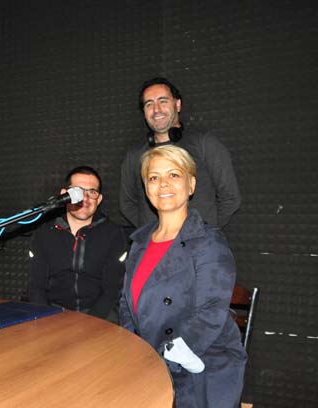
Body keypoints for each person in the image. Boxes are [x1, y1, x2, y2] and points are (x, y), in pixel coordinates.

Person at [119, 145, 246, 408]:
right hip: (149, 358)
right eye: (153, 177)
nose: (163, 183)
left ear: (191, 185)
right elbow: (126, 304)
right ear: (146, 188)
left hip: (201, 363)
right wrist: (132, 349)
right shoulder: (139, 242)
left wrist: (163, 357)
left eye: (174, 174)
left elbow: (211, 311)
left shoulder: (209, 242)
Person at [120, 77, 241, 229]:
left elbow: (230, 197)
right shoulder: (134, 155)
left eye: (163, 101)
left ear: (177, 105)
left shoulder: (204, 143)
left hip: (197, 242)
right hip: (154, 242)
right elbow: (127, 204)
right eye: (149, 104)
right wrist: (150, 230)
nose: (156, 109)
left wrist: (205, 231)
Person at [28, 166, 127, 322]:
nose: (85, 198)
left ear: (99, 199)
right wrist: (47, 320)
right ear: (64, 195)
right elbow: (36, 287)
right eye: (78, 191)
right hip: (53, 314)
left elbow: (112, 291)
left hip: (99, 317)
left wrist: (88, 324)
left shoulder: (114, 234)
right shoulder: (44, 233)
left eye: (92, 192)